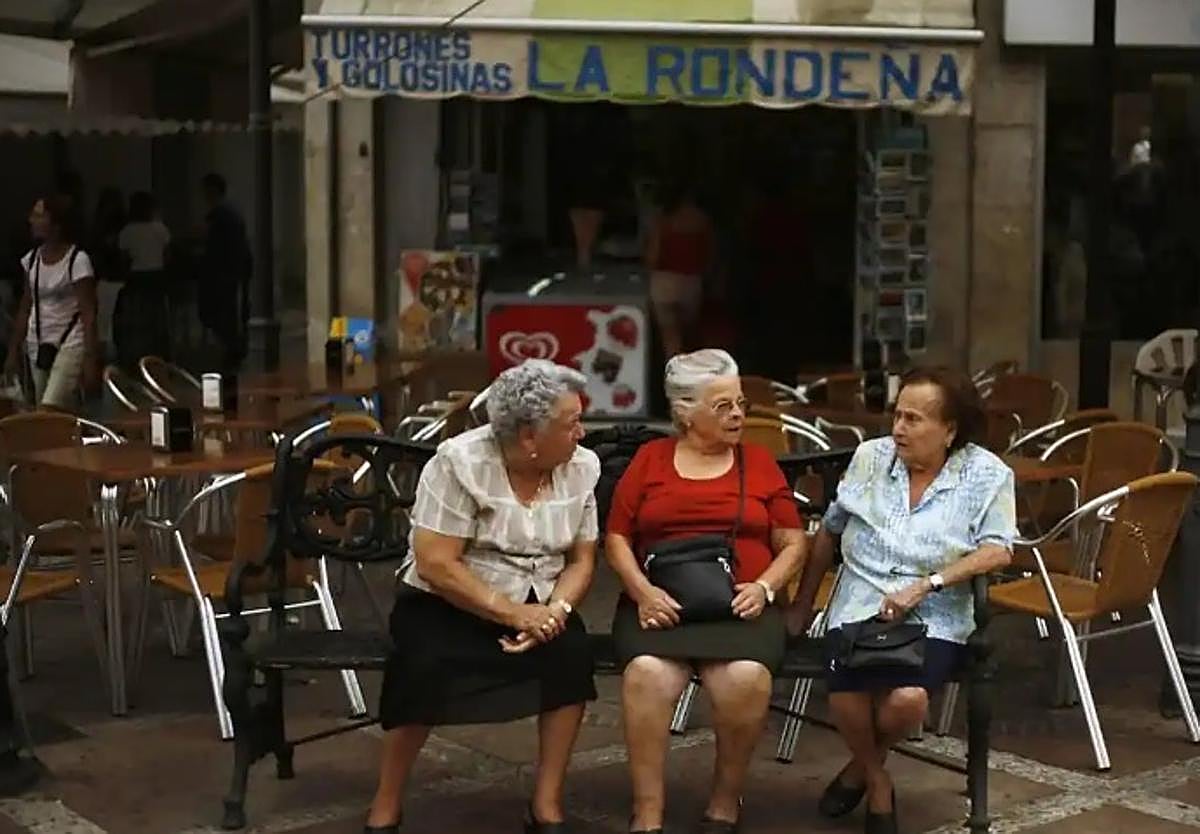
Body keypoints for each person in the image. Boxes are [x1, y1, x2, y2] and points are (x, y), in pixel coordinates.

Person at [365, 360, 600, 834]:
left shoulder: (582, 467)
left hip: (542, 599)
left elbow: (582, 559)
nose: (583, 431)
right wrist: (513, 613)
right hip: (450, 599)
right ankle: (385, 804)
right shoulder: (459, 463)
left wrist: (554, 613)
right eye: (571, 422)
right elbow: (436, 563)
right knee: (421, 665)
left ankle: (546, 805)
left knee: (572, 654)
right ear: (529, 437)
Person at [787, 367, 1017, 834]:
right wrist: (803, 606)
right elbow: (829, 531)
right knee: (848, 694)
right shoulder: (871, 458)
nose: (898, 429)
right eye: (897, 415)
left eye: (914, 419)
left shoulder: (987, 474)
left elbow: (998, 549)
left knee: (907, 701)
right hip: (859, 603)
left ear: (950, 430)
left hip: (935, 613)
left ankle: (859, 768)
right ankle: (877, 784)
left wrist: (927, 584)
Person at [605, 349, 807, 834]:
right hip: (660, 606)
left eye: (739, 403)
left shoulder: (758, 463)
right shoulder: (651, 460)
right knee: (647, 675)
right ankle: (647, 811)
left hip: (741, 607)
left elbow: (794, 542)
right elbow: (615, 537)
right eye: (722, 406)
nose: (737, 414)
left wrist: (765, 586)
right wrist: (643, 593)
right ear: (685, 412)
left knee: (745, 679)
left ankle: (724, 802)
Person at [3, 196, 99, 410]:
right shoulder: (32, 261)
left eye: (39, 215)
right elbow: (25, 307)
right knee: (51, 410)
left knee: (49, 408)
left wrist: (91, 358)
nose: (32, 220)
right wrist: (13, 351)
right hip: (38, 341)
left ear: (56, 224)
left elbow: (88, 312)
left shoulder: (77, 261)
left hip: (70, 341)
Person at [645, 184, 714, 362]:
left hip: (664, 281)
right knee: (687, 335)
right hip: (691, 282)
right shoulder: (702, 220)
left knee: (670, 338)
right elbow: (708, 256)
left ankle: (672, 379)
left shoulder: (663, 220)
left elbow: (653, 256)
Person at [198, 173, 250, 370]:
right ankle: (233, 347)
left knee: (222, 310)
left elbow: (212, 242)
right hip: (231, 268)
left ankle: (232, 348)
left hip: (223, 270)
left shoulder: (220, 214)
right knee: (228, 310)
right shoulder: (229, 213)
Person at [115, 192, 172, 365]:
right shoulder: (160, 229)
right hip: (157, 274)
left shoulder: (127, 231)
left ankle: (136, 351)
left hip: (136, 276)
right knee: (159, 314)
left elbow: (124, 258)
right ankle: (161, 350)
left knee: (136, 315)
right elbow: (168, 254)